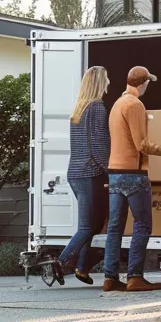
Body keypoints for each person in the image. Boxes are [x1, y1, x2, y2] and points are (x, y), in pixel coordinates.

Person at [103, 66, 161, 292]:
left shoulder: (116, 104)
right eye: (147, 83)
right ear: (143, 83)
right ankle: (135, 277)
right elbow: (141, 144)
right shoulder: (135, 105)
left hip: (114, 173)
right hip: (133, 175)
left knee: (115, 228)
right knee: (142, 225)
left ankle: (109, 277)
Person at [54, 66, 111, 286]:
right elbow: (98, 144)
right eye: (106, 80)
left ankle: (82, 268)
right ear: (99, 83)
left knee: (95, 224)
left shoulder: (79, 109)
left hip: (76, 173)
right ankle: (60, 262)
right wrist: (111, 169)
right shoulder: (97, 108)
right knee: (88, 226)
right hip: (90, 173)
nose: (109, 83)